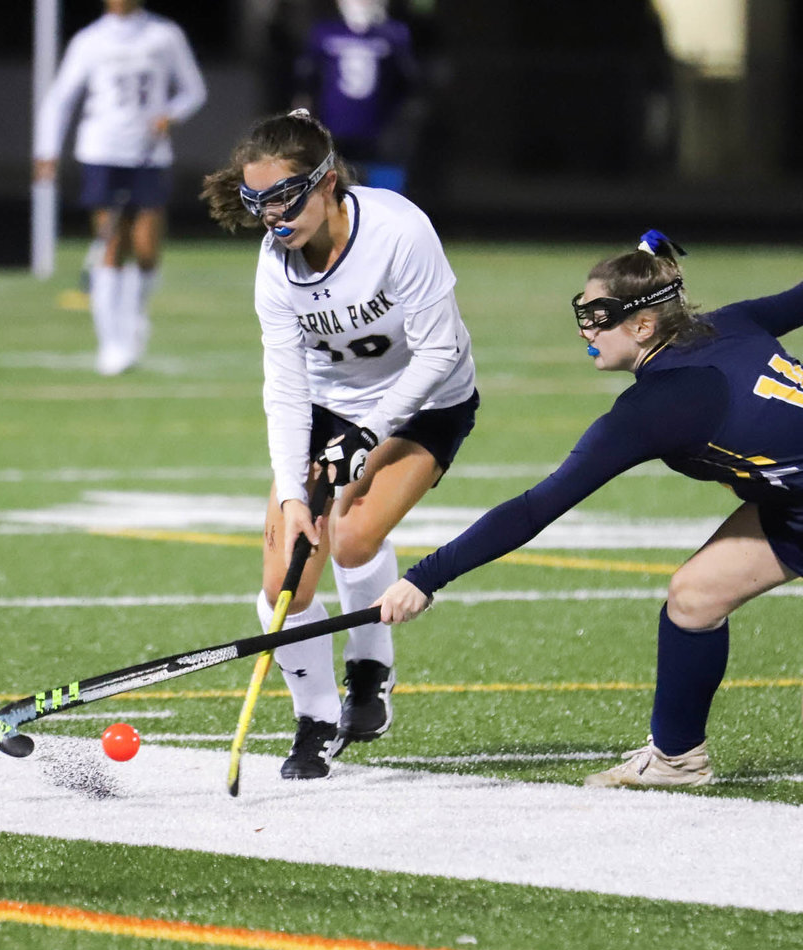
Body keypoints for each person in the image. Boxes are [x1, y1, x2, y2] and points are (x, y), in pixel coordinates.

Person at [377, 231, 803, 786]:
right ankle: (677, 758)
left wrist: (424, 576)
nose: (585, 331)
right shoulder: (723, 325)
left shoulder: (654, 409)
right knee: (693, 597)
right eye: (580, 312)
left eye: (597, 318)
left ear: (642, 324)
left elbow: (535, 508)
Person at [200, 109, 480, 779]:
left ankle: (370, 668)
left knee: (353, 539)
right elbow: (286, 384)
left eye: (284, 198)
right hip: (329, 409)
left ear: (327, 184)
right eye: (256, 202)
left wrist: (369, 436)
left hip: (425, 403)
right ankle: (315, 718)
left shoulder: (398, 231)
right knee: (282, 588)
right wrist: (295, 494)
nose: (272, 218)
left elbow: (438, 350)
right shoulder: (275, 267)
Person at [34, 0, 207, 376]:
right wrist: (46, 149)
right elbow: (61, 97)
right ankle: (111, 344)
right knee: (110, 244)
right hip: (102, 150)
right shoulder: (90, 40)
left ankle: (133, 319)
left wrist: (170, 116)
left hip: (149, 153)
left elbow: (194, 90)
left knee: (146, 248)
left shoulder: (164, 35)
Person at [293, 0, 421, 193]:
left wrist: (399, 126)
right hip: (331, 130)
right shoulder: (324, 32)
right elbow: (306, 83)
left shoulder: (394, 34)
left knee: (379, 194)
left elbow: (408, 85)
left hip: (378, 134)